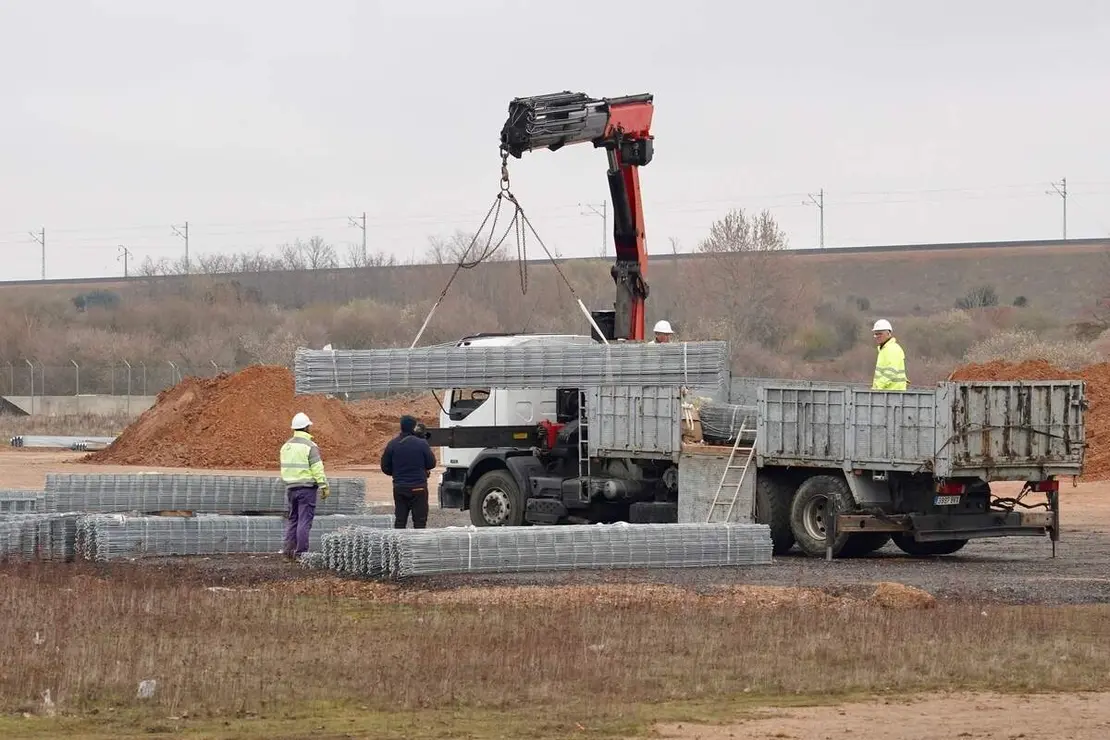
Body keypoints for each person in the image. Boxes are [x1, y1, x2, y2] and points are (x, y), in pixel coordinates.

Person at [279, 412, 329, 559]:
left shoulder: (286, 446)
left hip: (290, 488)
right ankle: (301, 554)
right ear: (307, 428)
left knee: (293, 519)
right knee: (304, 520)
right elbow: (317, 468)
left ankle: (288, 553)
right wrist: (324, 485)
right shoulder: (310, 446)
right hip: (306, 489)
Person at [381, 414, 437, 529]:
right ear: (413, 427)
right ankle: (418, 546)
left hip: (400, 488)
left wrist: (397, 473)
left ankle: (399, 546)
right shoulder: (422, 444)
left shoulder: (392, 444)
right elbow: (431, 463)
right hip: (419, 488)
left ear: (401, 427)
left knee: (400, 521)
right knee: (420, 523)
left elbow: (385, 467)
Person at [871, 319, 909, 390]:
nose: (877, 336)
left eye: (880, 333)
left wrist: (877, 387)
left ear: (888, 333)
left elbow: (891, 372)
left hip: (893, 394)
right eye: (876, 334)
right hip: (887, 393)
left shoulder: (892, 349)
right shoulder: (884, 349)